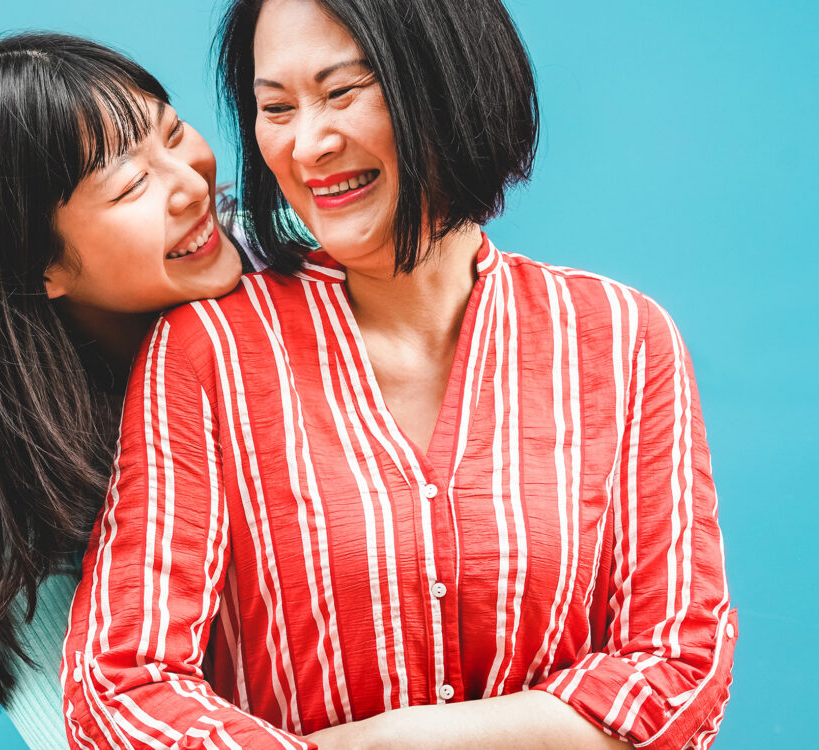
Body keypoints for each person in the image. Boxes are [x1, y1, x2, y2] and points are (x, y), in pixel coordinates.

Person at [61, 1, 736, 749]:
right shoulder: (206, 351)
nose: (310, 143)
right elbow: (121, 689)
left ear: (448, 84)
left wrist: (384, 742)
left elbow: (681, 673)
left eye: (343, 92)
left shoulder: (623, 338)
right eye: (276, 107)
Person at [0, 32, 245, 750]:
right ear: (38, 262)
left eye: (174, 133)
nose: (192, 184)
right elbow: (87, 730)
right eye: (132, 186)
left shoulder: (281, 255)